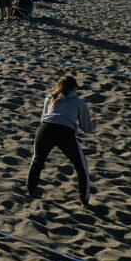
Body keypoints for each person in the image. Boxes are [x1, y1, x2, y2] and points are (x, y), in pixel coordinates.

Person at [26, 75, 94, 206]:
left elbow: (43, 118)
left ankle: (30, 191)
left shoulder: (50, 97)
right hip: (65, 132)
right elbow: (87, 128)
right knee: (81, 166)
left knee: (37, 160)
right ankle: (84, 201)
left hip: (46, 129)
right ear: (74, 88)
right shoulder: (79, 102)